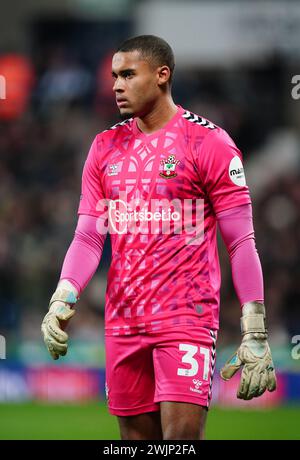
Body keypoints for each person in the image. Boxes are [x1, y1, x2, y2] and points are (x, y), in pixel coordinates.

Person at [41, 35, 276, 440]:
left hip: (186, 317)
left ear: (162, 75)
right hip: (123, 321)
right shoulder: (104, 148)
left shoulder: (210, 143)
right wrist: (63, 296)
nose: (116, 84)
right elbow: (88, 237)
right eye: (114, 76)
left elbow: (240, 241)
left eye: (128, 74)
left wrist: (254, 326)